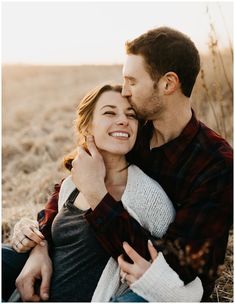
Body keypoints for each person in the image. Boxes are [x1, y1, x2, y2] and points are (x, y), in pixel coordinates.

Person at [6, 26, 233, 302]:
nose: (124, 91)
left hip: (156, 287)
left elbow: (181, 266)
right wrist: (40, 245)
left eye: (132, 82)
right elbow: (72, 184)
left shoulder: (215, 163)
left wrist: (98, 196)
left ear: (168, 83)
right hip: (89, 253)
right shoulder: (132, 132)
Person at [3, 83, 203, 302]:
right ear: (87, 126)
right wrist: (38, 248)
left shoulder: (149, 197)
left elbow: (183, 274)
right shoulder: (72, 183)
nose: (123, 120)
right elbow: (49, 226)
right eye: (109, 112)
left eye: (131, 115)